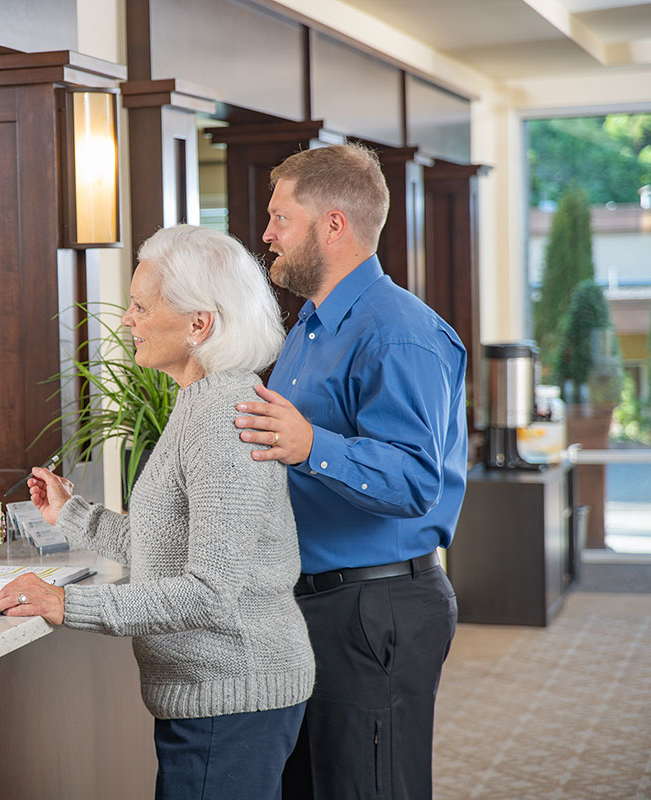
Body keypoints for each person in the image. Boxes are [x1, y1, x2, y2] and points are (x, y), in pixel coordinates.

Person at [0, 224, 315, 800]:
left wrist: (70, 604)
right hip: (218, 693)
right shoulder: (200, 403)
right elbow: (164, 545)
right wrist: (73, 515)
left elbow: (211, 589)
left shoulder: (220, 417)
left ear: (199, 324)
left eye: (140, 306)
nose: (126, 320)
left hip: (233, 694)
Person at [234, 143, 466, 798]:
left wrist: (312, 445)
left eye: (280, 217)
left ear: (333, 224)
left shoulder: (400, 333)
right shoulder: (310, 327)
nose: (267, 233)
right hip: (307, 606)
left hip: (372, 610)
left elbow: (418, 481)